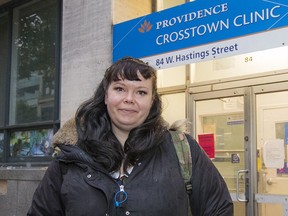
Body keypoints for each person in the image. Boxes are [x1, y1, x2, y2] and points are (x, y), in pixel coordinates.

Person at [27, 57, 233, 216]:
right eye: (119, 89)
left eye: (141, 92)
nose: (129, 99)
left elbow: (219, 209)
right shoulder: (69, 157)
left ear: (152, 100)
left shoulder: (182, 149)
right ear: (106, 96)